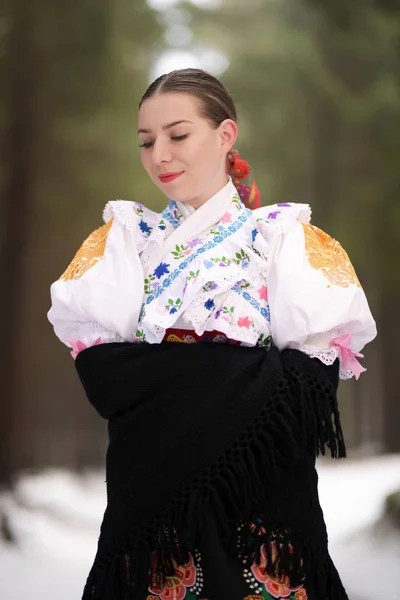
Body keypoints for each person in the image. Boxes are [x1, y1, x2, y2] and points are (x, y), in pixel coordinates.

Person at [48, 68, 377, 600]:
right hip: (156, 509)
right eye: (146, 141)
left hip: (261, 511)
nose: (160, 155)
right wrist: (234, 374)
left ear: (226, 136)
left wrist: (172, 375)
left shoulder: (282, 239)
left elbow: (308, 387)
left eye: (178, 135)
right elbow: (107, 379)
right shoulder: (127, 241)